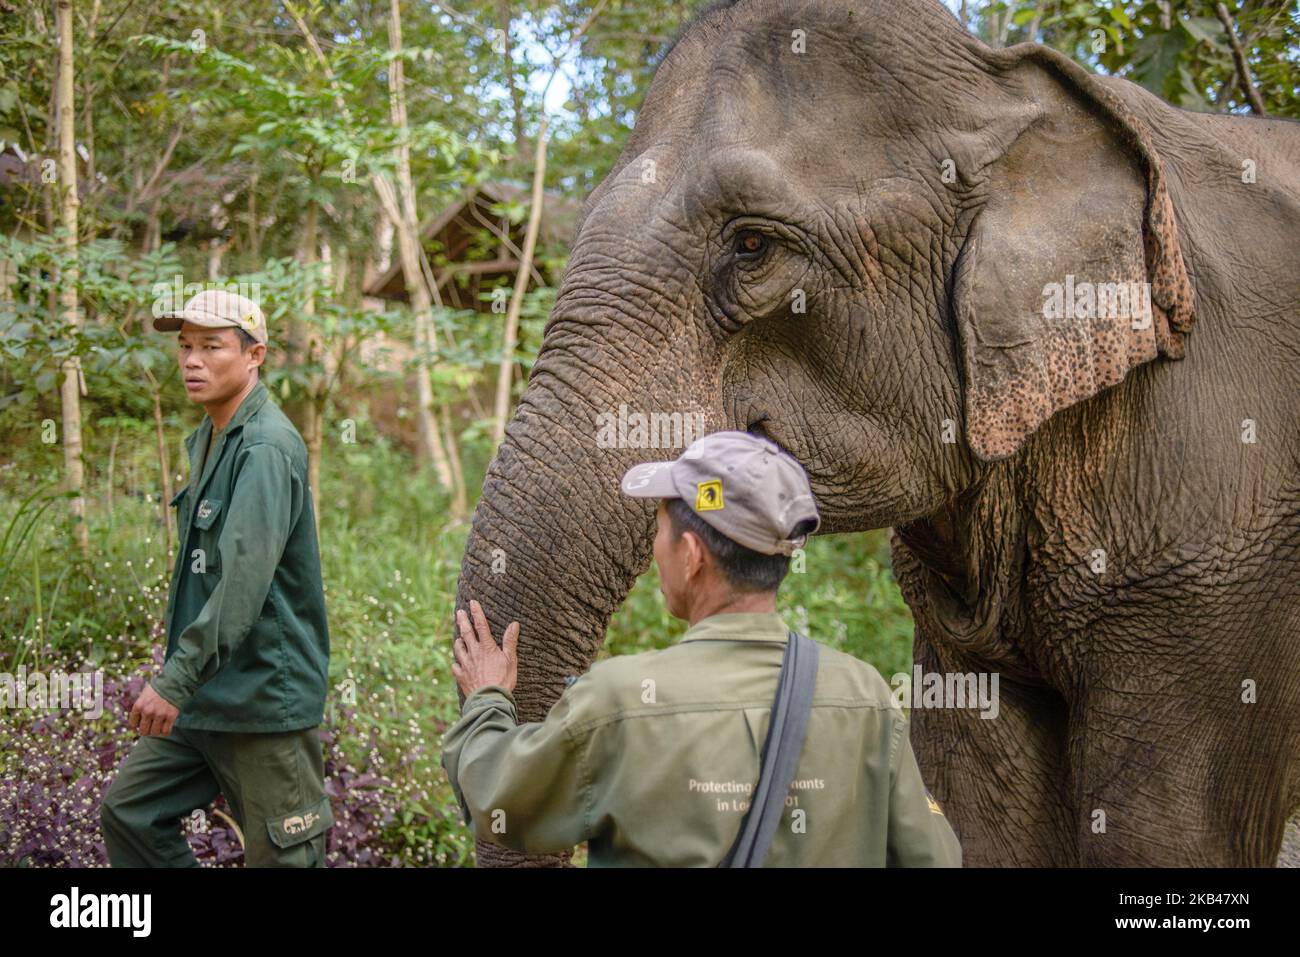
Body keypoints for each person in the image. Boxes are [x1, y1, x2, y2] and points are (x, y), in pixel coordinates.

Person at [442, 430, 961, 866]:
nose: (655, 547)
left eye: (661, 528)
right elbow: (934, 856)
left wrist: (488, 698)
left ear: (691, 556)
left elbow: (499, 802)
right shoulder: (865, 696)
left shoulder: (620, 702)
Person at [100, 289, 332, 868]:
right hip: (207, 696)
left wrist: (174, 681)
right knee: (131, 813)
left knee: (283, 855)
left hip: (260, 701)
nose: (191, 361)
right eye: (184, 347)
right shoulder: (210, 437)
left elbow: (242, 585)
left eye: (211, 346)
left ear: (255, 356)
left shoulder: (266, 447)